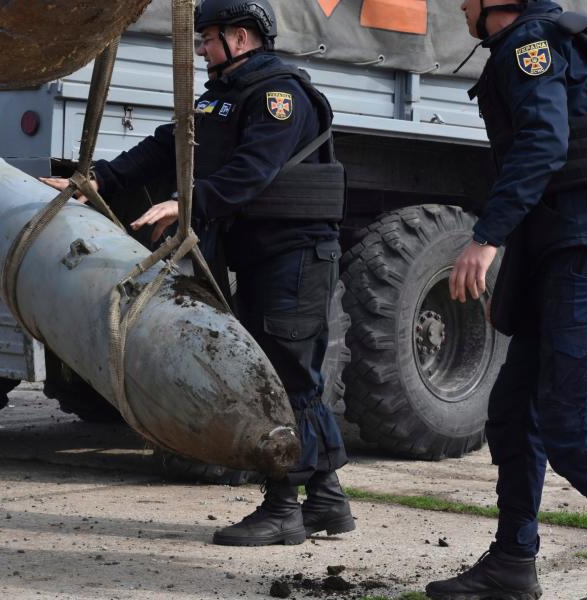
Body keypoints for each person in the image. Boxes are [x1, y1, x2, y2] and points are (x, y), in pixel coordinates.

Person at [42, 0, 353, 547]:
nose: (201, 49)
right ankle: (325, 501)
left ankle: (283, 506)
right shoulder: (221, 97)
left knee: (279, 377)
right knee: (289, 374)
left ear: (242, 36)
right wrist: (90, 181)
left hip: (296, 255)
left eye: (208, 38)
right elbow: (166, 148)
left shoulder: (279, 95)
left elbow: (252, 169)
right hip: (262, 254)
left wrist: (190, 203)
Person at [426, 0, 587, 598]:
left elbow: (543, 144)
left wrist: (486, 237)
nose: (459, 5)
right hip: (563, 251)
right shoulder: (544, 41)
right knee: (514, 415)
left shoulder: (531, 45)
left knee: (575, 430)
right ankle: (513, 562)